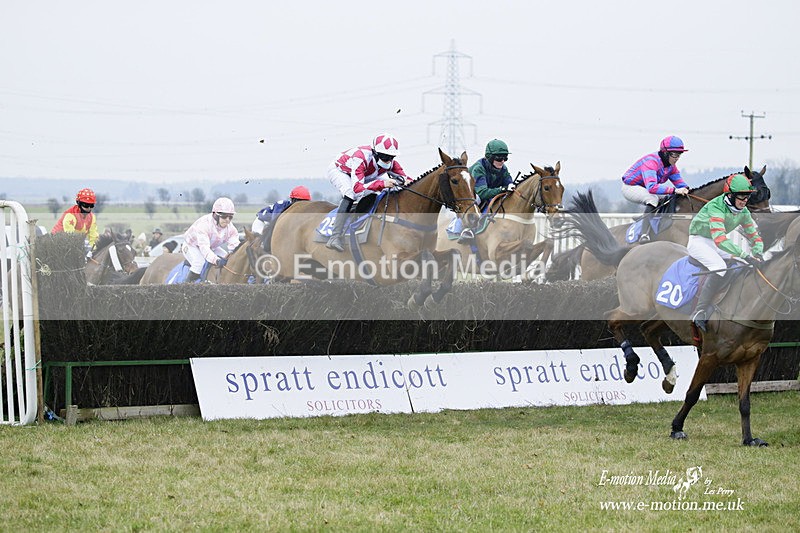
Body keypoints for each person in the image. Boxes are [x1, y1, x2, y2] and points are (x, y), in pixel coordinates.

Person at [687, 174, 764, 331]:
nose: (745, 200)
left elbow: (754, 236)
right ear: (730, 195)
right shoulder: (716, 207)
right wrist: (745, 255)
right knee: (719, 266)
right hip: (699, 241)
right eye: (742, 196)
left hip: (715, 243)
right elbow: (720, 239)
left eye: (747, 196)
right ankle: (699, 312)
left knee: (742, 265)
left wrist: (758, 253)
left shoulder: (743, 211)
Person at [325, 133, 409, 251]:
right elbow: (358, 189)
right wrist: (383, 184)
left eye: (391, 157)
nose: (388, 160)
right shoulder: (360, 157)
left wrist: (406, 181)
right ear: (375, 152)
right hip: (342, 171)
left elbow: (405, 179)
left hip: (366, 174)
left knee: (394, 186)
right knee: (350, 194)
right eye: (385, 157)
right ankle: (335, 237)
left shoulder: (390, 162)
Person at [621, 136, 691, 243]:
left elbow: (680, 184)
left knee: (669, 197)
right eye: (675, 154)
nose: (677, 158)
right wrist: (675, 190)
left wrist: (687, 190)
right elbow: (652, 188)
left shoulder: (671, 167)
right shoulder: (651, 162)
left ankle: (649, 218)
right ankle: (644, 234)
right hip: (630, 187)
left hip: (645, 188)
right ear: (665, 153)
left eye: (679, 154)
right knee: (652, 198)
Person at [461, 139, 514, 242]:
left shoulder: (503, 168)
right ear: (490, 157)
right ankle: (468, 228)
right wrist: (502, 189)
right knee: (477, 200)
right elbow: (483, 192)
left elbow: (508, 181)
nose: (502, 161)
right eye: (499, 158)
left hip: (491, 194)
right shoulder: (478, 168)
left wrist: (511, 186)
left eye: (505, 158)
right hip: (475, 194)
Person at [182, 197, 240, 283]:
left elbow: (234, 247)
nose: (227, 220)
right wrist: (216, 260)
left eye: (230, 217)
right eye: (224, 216)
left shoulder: (231, 229)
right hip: (192, 245)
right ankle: (185, 288)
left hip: (211, 246)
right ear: (215, 215)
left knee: (228, 261)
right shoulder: (204, 225)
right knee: (199, 263)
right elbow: (204, 249)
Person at [252, 186, 312, 252]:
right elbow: (275, 225)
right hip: (262, 223)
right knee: (263, 247)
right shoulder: (281, 206)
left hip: (270, 225)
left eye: (305, 202)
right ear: (293, 200)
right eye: (300, 201)